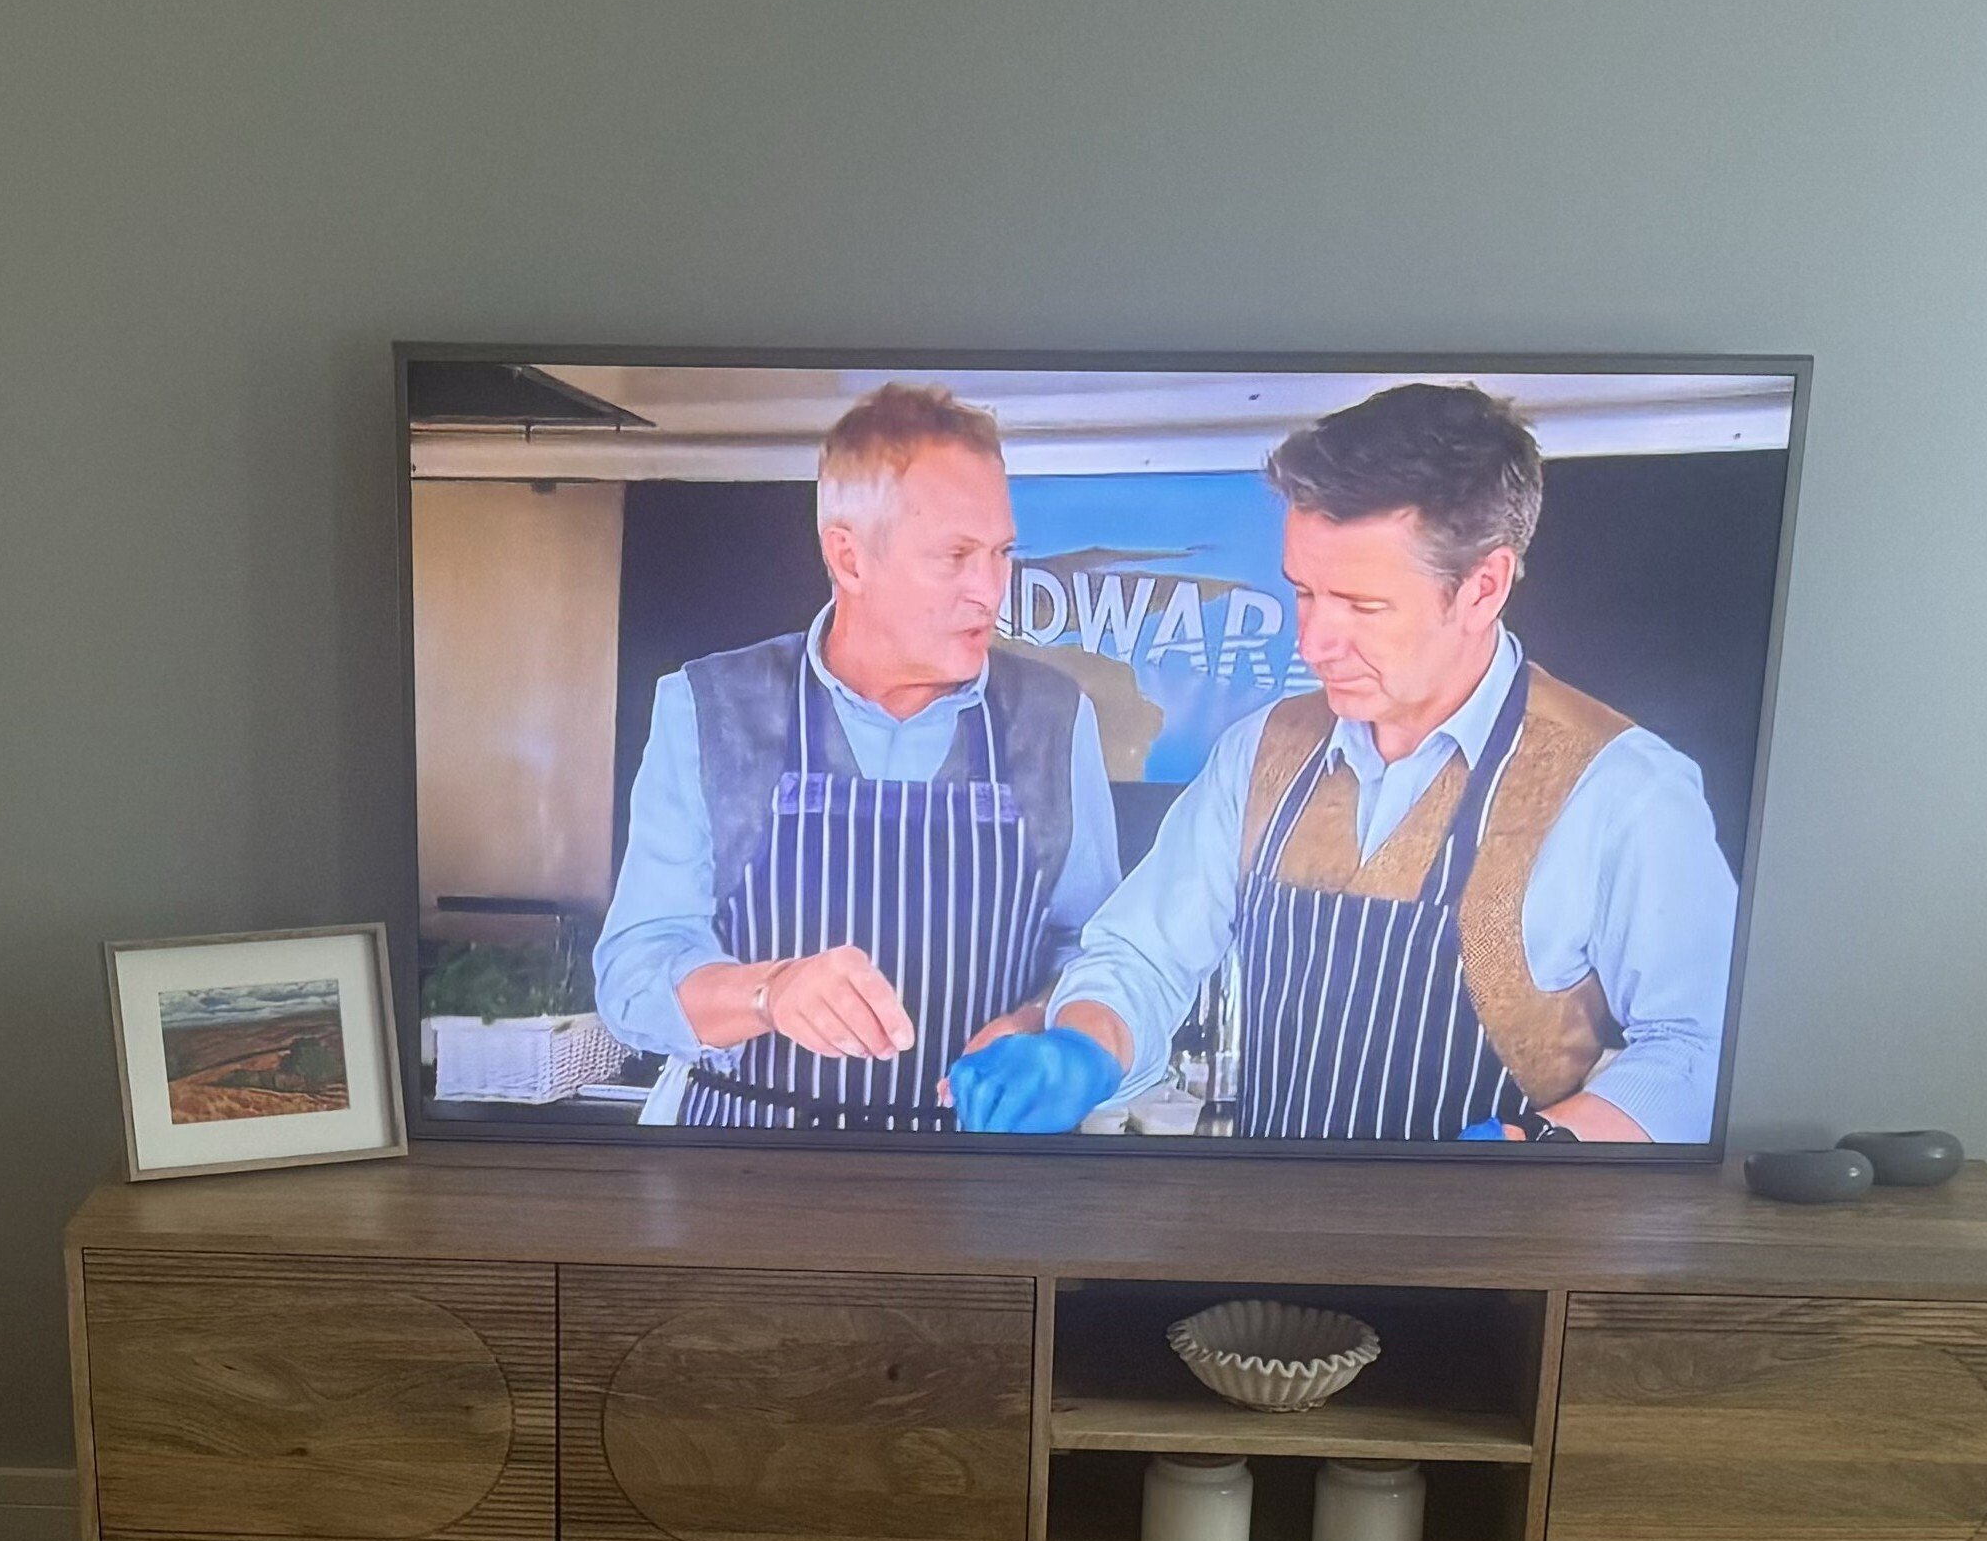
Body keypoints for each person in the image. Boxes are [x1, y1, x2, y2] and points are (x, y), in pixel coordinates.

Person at [947, 381, 1737, 1144]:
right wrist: (1084, 1048)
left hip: (1496, 1232)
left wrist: (1539, 1148)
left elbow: (1698, 1048)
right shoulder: (1262, 752)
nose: (1314, 642)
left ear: (1483, 587)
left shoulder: (1622, 790)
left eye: (1362, 606)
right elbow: (1143, 957)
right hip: (1268, 1225)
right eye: (1304, 593)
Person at [591, 383, 1122, 1130]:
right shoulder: (710, 709)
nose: (990, 591)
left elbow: (1097, 954)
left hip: (973, 1170)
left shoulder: (1055, 721)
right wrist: (770, 992)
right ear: (849, 558)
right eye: (955, 556)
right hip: (740, 1164)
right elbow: (632, 975)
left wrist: (1042, 1023)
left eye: (1001, 554)